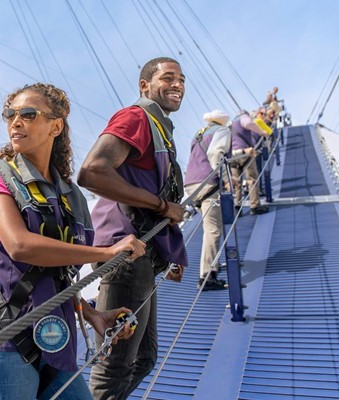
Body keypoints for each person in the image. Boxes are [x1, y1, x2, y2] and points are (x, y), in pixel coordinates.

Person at [0, 83, 146, 400]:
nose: (15, 122)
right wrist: (106, 251)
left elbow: (56, 273)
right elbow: (20, 246)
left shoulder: (70, 196)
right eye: (10, 114)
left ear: (56, 126)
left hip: (55, 341)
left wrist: (91, 315)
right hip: (7, 341)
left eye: (28, 114)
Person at [78, 57, 187, 399]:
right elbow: (92, 171)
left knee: (143, 358)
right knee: (116, 364)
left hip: (143, 254)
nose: (178, 84)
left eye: (182, 79)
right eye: (168, 78)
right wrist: (161, 206)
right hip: (125, 256)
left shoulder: (159, 128)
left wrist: (167, 251)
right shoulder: (137, 117)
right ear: (145, 86)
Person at [183, 110, 232, 291]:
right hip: (208, 184)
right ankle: (207, 276)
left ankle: (212, 267)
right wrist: (227, 178)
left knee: (210, 228)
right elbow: (215, 154)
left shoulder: (200, 133)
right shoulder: (222, 131)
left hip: (191, 184)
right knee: (213, 230)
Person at [230, 110, 270, 215]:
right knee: (252, 179)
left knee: (236, 182)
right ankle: (255, 206)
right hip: (245, 153)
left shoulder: (231, 123)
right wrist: (261, 132)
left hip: (233, 155)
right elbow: (248, 123)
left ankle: (237, 206)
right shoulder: (243, 118)